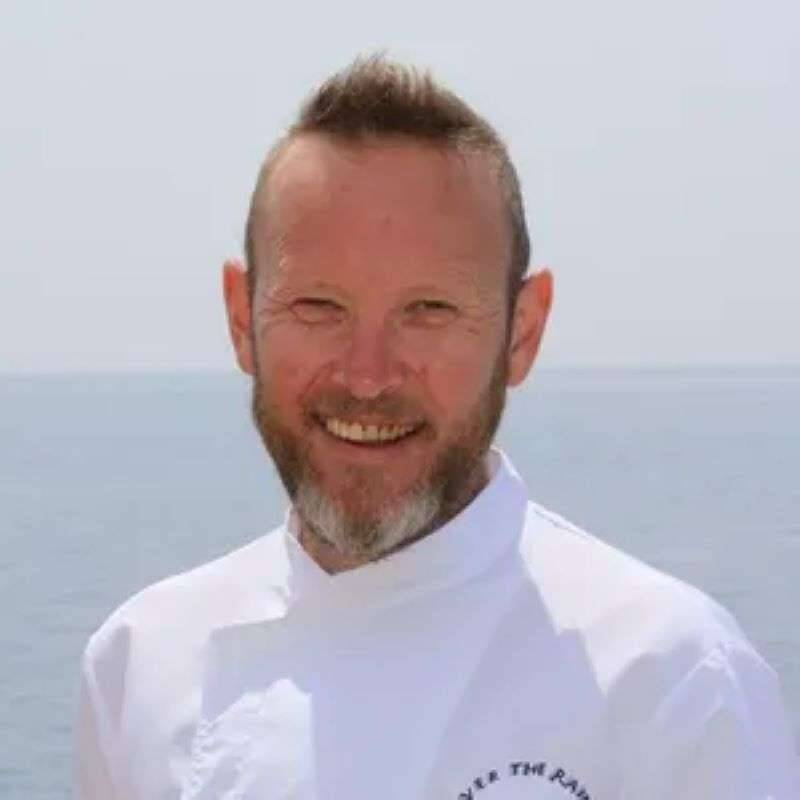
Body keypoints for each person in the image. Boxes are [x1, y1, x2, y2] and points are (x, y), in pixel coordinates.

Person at [75, 56, 799, 799]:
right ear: (241, 319)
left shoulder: (672, 683)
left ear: (522, 333)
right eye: (318, 308)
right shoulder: (141, 666)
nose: (367, 376)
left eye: (429, 311)